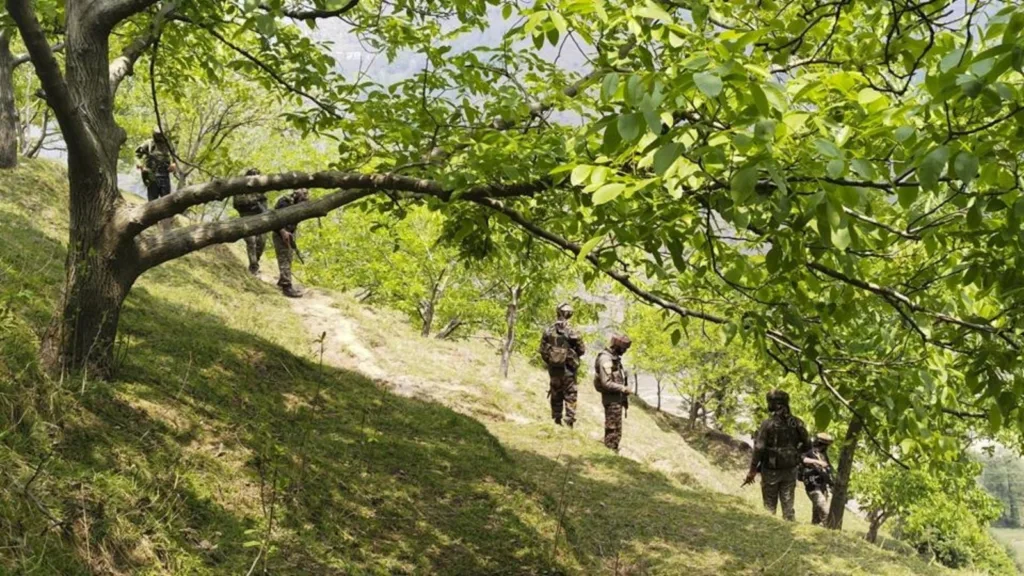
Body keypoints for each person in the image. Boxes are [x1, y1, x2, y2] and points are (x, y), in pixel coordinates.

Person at [743, 389, 810, 521]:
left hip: (771, 471)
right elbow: (808, 445)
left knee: (769, 508)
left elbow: (759, 447)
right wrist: (795, 455)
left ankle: (770, 532)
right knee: (788, 507)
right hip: (790, 470)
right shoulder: (797, 423)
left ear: (774, 404)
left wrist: (752, 470)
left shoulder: (768, 424)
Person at [539, 303, 587, 428]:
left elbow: (543, 350)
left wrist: (552, 361)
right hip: (569, 369)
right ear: (570, 314)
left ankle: (556, 418)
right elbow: (581, 350)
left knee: (555, 392)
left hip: (554, 369)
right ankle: (569, 420)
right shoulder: (573, 331)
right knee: (570, 394)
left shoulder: (548, 330)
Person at [593, 333, 632, 452]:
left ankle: (612, 450)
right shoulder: (606, 359)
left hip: (616, 399)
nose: (624, 351)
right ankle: (609, 452)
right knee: (613, 429)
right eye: (623, 348)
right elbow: (606, 383)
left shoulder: (614, 358)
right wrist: (623, 388)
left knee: (616, 429)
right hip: (611, 399)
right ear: (617, 346)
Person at [272, 188, 310, 298]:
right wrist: (282, 231)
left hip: (290, 232)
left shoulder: (299, 203)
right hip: (280, 233)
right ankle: (286, 286)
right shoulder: (284, 202)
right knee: (284, 258)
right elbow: (275, 219)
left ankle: (282, 280)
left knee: (288, 257)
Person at [233, 168, 269, 275]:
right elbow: (237, 203)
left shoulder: (261, 192)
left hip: (260, 219)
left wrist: (258, 205)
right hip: (246, 218)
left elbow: (265, 208)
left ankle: (255, 263)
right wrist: (253, 201)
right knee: (251, 242)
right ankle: (254, 267)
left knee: (261, 244)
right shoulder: (240, 189)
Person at [800, 432, 834, 525]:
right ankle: (829, 527)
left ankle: (816, 526)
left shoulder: (823, 455)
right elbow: (803, 459)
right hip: (812, 484)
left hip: (822, 484)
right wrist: (817, 462)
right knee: (823, 507)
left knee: (817, 512)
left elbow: (828, 468)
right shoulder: (810, 451)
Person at [135, 128, 177, 202]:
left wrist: (174, 164)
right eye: (157, 134)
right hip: (152, 175)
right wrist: (140, 164)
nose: (159, 136)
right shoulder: (149, 143)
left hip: (165, 175)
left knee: (166, 201)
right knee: (152, 201)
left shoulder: (168, 144)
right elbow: (137, 155)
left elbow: (175, 157)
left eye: (160, 135)